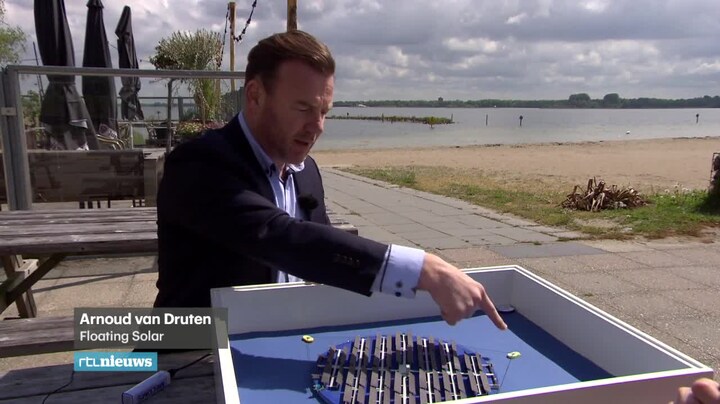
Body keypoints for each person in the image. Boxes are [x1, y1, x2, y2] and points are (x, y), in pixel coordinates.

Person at [153, 30, 506, 330]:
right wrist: (421, 269)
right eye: (304, 109)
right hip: (188, 349)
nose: (318, 126)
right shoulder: (199, 163)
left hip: (278, 339)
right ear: (255, 95)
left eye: (324, 112)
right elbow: (280, 237)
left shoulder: (307, 172)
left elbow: (321, 258)